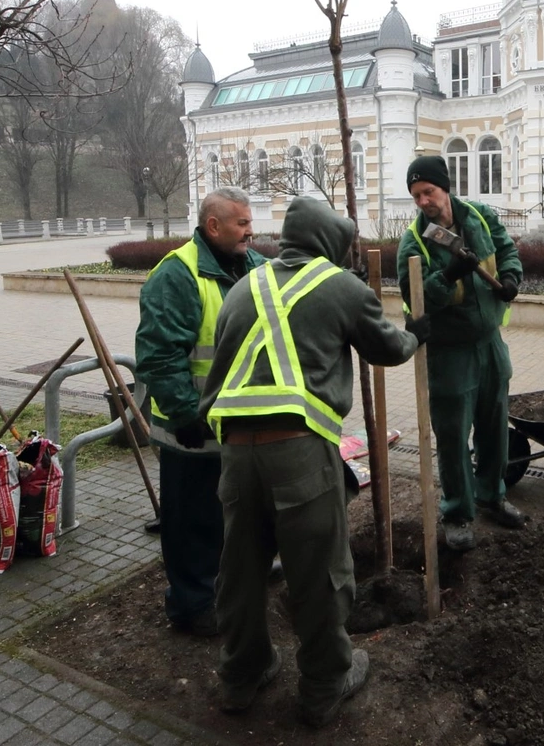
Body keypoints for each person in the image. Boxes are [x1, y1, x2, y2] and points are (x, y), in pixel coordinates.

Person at [202, 197, 426, 727]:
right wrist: (418, 331)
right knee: (320, 573)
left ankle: (241, 676)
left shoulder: (245, 286)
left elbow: (219, 374)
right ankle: (325, 686)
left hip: (236, 453)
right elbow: (388, 348)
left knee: (241, 570)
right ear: (330, 242)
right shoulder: (342, 286)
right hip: (298, 452)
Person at [134, 187, 266, 637]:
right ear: (213, 226)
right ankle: (193, 605)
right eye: (242, 224)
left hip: (237, 425)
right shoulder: (176, 275)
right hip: (191, 430)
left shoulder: (254, 266)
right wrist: (184, 414)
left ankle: (229, 584)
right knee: (191, 521)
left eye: (250, 222)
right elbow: (158, 355)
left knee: (233, 516)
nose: (251, 231)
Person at [397, 154, 524, 552]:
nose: (423, 202)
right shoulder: (414, 242)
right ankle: (457, 513)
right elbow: (414, 298)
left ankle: (492, 496)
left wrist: (510, 276)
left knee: (494, 428)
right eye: (416, 196)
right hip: (449, 353)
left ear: (446, 188)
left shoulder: (480, 217)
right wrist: (448, 274)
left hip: (490, 343)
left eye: (428, 192)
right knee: (453, 437)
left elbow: (506, 250)